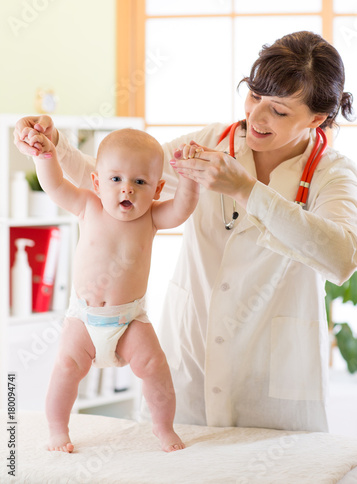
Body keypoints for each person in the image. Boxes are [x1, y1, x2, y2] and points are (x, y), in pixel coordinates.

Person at [15, 31, 357, 433]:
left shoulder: (331, 172)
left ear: (317, 119)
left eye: (279, 111)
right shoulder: (211, 143)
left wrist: (247, 190)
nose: (257, 117)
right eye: (253, 97)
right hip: (191, 354)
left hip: (272, 379)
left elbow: (341, 257)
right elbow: (119, 177)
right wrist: (52, 146)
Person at [18, 127, 199, 453]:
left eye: (140, 182)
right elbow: (55, 185)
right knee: (65, 369)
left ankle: (163, 427)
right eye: (115, 179)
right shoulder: (88, 204)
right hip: (83, 319)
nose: (126, 188)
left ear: (157, 189)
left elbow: (183, 209)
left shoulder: (153, 217)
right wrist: (45, 155)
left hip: (129, 320)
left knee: (155, 367)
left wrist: (188, 180)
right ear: (97, 182)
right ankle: (57, 429)